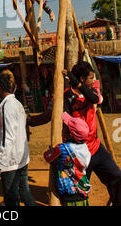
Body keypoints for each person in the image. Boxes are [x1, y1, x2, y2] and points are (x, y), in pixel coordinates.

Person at [63, 61, 121, 206]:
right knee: (80, 192)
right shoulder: (67, 97)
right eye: (90, 78)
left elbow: (94, 99)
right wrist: (31, 121)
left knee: (117, 178)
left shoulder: (92, 91)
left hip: (96, 148)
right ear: (82, 78)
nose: (93, 81)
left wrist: (76, 82)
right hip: (79, 154)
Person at [0, 69, 36, 206]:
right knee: (25, 193)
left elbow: (8, 137)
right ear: (15, 87)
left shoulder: (6, 106)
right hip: (21, 156)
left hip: (11, 161)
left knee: (11, 197)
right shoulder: (17, 104)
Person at [44, 112, 91, 206]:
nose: (62, 127)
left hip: (68, 193)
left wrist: (51, 150)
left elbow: (47, 157)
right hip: (82, 191)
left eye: (65, 126)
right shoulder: (85, 148)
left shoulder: (62, 149)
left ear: (69, 134)